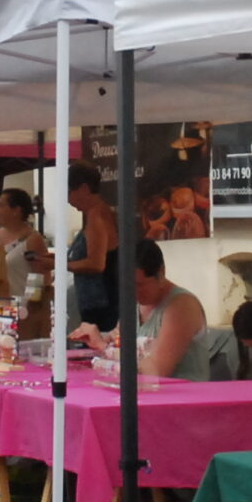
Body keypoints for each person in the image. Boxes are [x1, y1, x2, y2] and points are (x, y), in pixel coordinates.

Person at [76, 238, 227, 381]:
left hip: (182, 395)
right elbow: (117, 339)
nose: (133, 292)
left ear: (161, 273)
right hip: (145, 394)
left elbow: (156, 370)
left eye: (139, 285)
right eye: (127, 286)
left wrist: (103, 347)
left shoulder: (181, 306)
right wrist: (100, 338)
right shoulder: (134, 306)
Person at [64, 162, 119, 332]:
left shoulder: (97, 216)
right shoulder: (94, 215)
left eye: (69, 192)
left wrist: (61, 265)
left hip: (101, 302)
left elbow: (96, 264)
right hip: (97, 302)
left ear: (84, 189)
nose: (68, 200)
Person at [0, 189, 48, 297]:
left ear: (16, 211)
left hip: (20, 303)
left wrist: (34, 303)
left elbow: (43, 278)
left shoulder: (32, 240)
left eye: (1, 205)